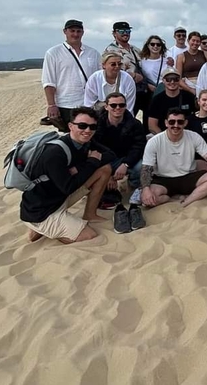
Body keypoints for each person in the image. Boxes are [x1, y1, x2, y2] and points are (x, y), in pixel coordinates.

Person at [20, 107, 113, 244]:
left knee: (105, 169)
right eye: (82, 125)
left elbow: (111, 154)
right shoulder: (55, 153)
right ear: (70, 126)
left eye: (92, 126)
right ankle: (42, 228)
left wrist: (80, 167)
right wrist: (92, 162)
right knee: (89, 236)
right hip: (41, 210)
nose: (87, 130)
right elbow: (68, 187)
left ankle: (90, 214)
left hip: (58, 198)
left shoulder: (85, 141)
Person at [140, 109, 207, 208]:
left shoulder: (194, 136)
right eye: (172, 122)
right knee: (147, 199)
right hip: (163, 179)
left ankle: (187, 201)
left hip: (187, 176)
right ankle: (170, 199)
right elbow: (146, 169)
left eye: (180, 122)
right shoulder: (154, 141)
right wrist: (145, 189)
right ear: (166, 123)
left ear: (185, 123)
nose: (176, 125)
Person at [41, 19, 101, 131]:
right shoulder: (53, 53)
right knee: (70, 137)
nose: (75, 34)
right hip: (66, 104)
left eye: (78, 31)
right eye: (72, 31)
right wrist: (51, 105)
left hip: (90, 104)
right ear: (65, 32)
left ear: (83, 32)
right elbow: (49, 81)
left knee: (91, 135)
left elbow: (100, 77)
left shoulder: (93, 53)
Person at [94, 91, 147, 202]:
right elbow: (94, 148)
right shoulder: (96, 125)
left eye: (121, 105)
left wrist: (126, 164)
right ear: (106, 107)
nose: (118, 108)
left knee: (141, 167)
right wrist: (108, 174)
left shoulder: (135, 124)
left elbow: (138, 147)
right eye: (113, 105)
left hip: (125, 158)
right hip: (104, 161)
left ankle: (134, 191)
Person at [103, 21, 148, 117]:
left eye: (128, 31)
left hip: (141, 90)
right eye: (121, 31)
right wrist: (133, 75)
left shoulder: (135, 49)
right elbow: (108, 70)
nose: (125, 33)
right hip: (123, 90)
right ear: (114, 33)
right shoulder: (110, 50)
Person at [146, 69, 196, 134]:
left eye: (176, 79)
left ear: (179, 80)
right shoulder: (157, 100)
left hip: (187, 135)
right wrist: (165, 139)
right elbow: (152, 126)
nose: (172, 82)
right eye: (168, 79)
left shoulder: (189, 97)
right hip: (164, 136)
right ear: (163, 81)